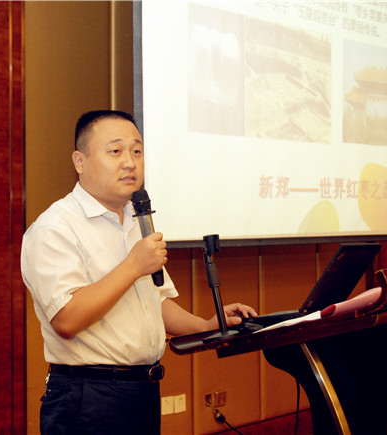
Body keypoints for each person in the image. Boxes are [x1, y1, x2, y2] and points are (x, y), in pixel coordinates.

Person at [21, 110, 257, 435]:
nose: (130, 162)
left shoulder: (136, 220)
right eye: (116, 151)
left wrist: (206, 325)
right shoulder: (55, 228)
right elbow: (66, 319)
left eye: (137, 151)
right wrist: (132, 266)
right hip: (88, 397)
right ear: (79, 161)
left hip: (143, 390)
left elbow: (154, 302)